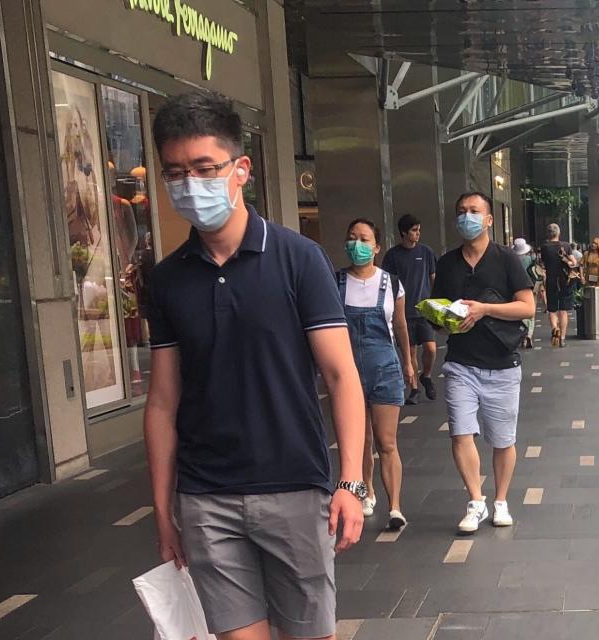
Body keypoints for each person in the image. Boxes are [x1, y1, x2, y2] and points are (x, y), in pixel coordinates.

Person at [143, 91, 365, 640]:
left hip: (294, 484)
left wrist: (353, 482)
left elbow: (341, 376)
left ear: (240, 169)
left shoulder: (298, 259)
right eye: (175, 173)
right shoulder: (168, 279)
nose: (190, 184)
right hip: (206, 498)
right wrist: (162, 506)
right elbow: (163, 399)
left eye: (204, 168)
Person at [431, 192, 535, 534]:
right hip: (461, 363)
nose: (467, 217)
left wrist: (485, 309)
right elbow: (440, 308)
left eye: (474, 211)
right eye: (461, 212)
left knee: (503, 439)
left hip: (503, 365)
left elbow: (527, 307)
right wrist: (446, 318)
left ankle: (501, 500)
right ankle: (476, 500)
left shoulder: (506, 259)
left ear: (489, 219)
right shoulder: (446, 263)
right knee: (461, 432)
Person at [339, 218, 415, 529]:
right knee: (359, 441)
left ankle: (395, 507)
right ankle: (365, 492)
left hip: (384, 367)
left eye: (365, 239)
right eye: (352, 237)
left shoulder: (392, 283)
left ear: (377, 246)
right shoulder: (335, 282)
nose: (357, 244)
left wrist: (408, 362)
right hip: (347, 372)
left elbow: (399, 326)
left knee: (386, 442)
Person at [382, 214, 438, 405]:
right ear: (403, 233)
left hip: (424, 310)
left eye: (419, 230)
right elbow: (389, 283)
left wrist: (438, 301)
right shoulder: (392, 256)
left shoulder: (426, 252)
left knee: (431, 348)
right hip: (403, 314)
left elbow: (433, 277)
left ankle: (427, 375)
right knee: (410, 353)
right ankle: (414, 388)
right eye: (414, 230)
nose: (418, 234)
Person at [540, 223, 577, 348]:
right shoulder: (566, 246)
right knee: (563, 310)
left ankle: (555, 327)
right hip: (564, 281)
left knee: (552, 309)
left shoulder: (544, 247)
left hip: (551, 280)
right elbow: (574, 263)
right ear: (558, 233)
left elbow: (543, 263)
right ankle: (562, 338)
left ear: (548, 233)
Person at [513, 237, 537, 349]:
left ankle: (521, 334)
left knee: (518, 312)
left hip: (515, 288)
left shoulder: (512, 259)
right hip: (530, 286)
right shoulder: (529, 259)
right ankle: (529, 335)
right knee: (530, 313)